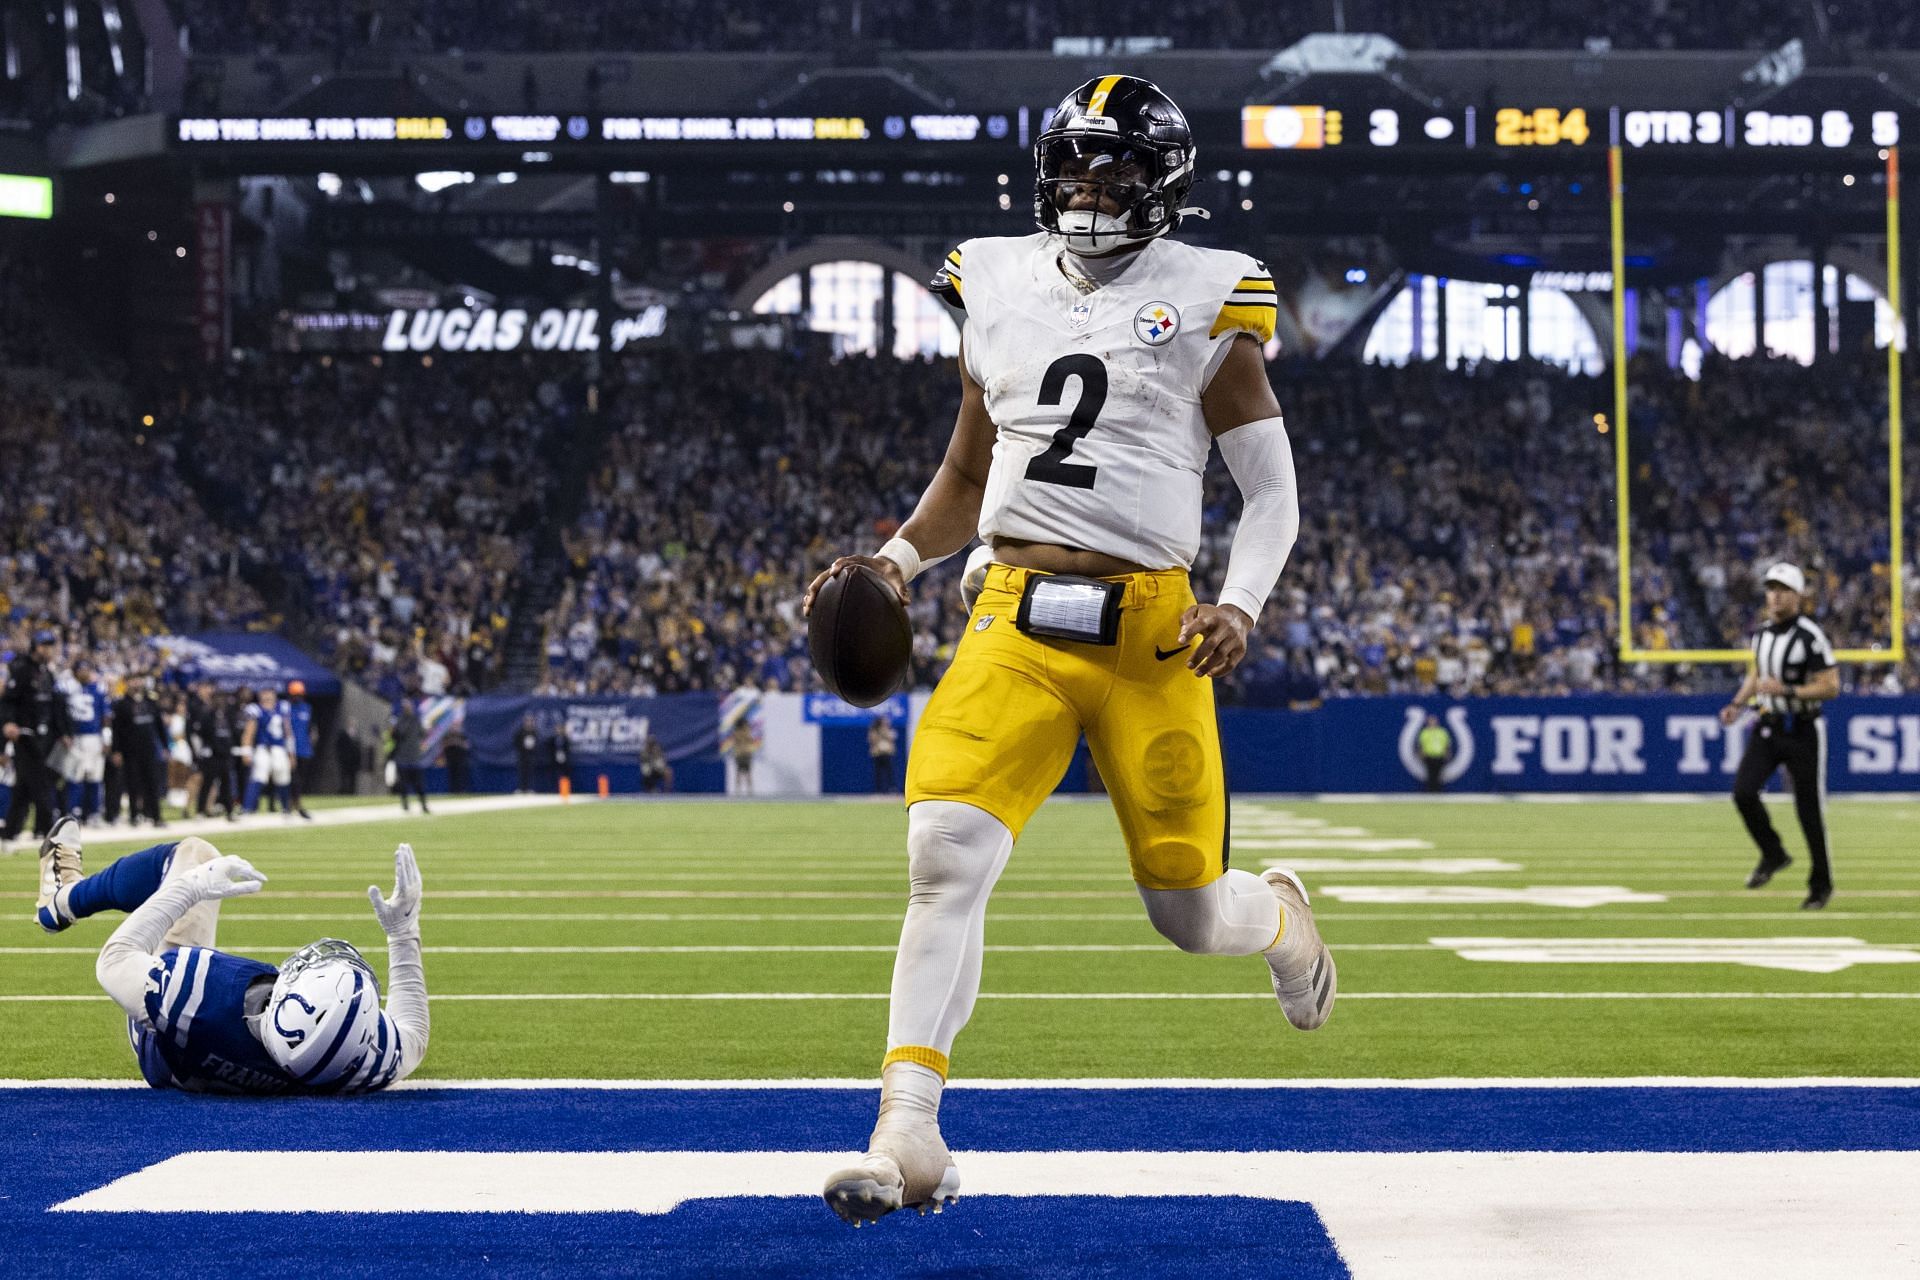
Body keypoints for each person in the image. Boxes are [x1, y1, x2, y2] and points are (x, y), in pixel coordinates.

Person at [804, 75, 1327, 1226]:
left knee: (1188, 910)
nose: (1090, 191)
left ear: (1164, 185)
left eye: (1116, 171)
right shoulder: (993, 278)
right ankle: (909, 1130)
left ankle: (1282, 919)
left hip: (1154, 634)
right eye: (1076, 169)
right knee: (944, 850)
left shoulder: (1206, 294)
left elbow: (1272, 487)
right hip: (1012, 617)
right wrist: (895, 560)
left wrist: (1240, 599)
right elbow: (963, 474)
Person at [31, 815, 428, 1094]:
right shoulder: (344, 1060)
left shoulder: (200, 997)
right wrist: (401, 930)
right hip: (207, 1053)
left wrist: (192, 887)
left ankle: (61, 900)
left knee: (195, 854)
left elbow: (115, 959)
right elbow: (413, 1038)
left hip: (162, 1035)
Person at [1722, 562, 1839, 909]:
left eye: (1783, 589)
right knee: (1743, 792)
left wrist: (1787, 689)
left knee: (1808, 810)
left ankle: (1821, 885)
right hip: (1768, 725)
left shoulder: (1810, 635)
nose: (1775, 595)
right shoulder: (1761, 634)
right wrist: (1737, 704)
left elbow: (1831, 686)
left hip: (1802, 729)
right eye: (1771, 588)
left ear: (1798, 595)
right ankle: (1773, 853)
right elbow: (1757, 674)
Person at [2, 630, 72, 851]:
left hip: (46, 737)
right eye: (45, 645)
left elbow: (53, 707)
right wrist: (8, 723)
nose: (49, 650)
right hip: (26, 735)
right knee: (41, 783)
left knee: (24, 787)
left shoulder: (47, 673)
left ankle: (10, 831)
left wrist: (62, 732)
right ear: (35, 647)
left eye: (51, 645)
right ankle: (49, 831)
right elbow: (8, 701)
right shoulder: (21, 670)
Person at [56, 657, 111, 825]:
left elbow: (106, 716)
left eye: (87, 669)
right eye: (81, 669)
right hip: (75, 737)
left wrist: (107, 737)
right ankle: (73, 812)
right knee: (75, 776)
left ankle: (93, 813)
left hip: (94, 737)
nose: (85, 673)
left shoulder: (98, 688)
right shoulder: (66, 687)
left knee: (95, 776)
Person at [112, 675, 167, 828]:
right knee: (133, 784)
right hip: (130, 750)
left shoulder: (150, 702)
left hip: (149, 749)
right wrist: (116, 750)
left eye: (138, 679)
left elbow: (159, 726)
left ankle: (156, 816)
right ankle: (134, 815)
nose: (136, 683)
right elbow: (117, 730)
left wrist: (164, 746)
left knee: (152, 783)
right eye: (133, 680)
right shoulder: (122, 704)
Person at [240, 687, 294, 816]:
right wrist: (246, 751)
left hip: (279, 748)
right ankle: (247, 808)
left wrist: (291, 754)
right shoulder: (255, 710)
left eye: (269, 693)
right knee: (259, 775)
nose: (267, 696)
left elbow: (288, 732)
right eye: (264, 693)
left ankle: (286, 807)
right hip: (262, 747)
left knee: (283, 776)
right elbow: (249, 732)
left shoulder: (282, 708)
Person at [193, 687, 240, 819]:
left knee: (226, 785)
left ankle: (229, 811)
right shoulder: (207, 714)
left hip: (225, 754)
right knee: (207, 783)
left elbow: (233, 732)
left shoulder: (227, 714)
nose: (220, 701)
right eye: (218, 698)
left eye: (222, 698)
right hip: (212, 755)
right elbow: (201, 732)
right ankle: (200, 811)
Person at [391, 699, 431, 814]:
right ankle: (405, 805)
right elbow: (396, 736)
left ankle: (423, 805)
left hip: (414, 757)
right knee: (404, 784)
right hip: (403, 757)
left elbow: (423, 734)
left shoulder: (415, 720)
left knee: (419, 784)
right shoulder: (400, 720)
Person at [285, 680, 316, 820]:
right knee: (291, 779)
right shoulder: (286, 709)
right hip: (290, 750)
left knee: (299, 780)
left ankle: (295, 805)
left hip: (305, 749)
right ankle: (290, 805)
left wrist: (313, 740)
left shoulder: (307, 709)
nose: (297, 696)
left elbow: (312, 729)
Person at [1417, 714, 1452, 793]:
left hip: (1439, 756)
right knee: (1430, 774)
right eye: (1430, 721)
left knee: (1438, 775)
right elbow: (1421, 745)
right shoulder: (1424, 732)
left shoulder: (1442, 732)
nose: (1432, 723)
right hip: (1429, 756)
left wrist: (1447, 753)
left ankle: (1438, 791)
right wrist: (1421, 754)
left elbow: (1447, 744)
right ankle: (1431, 791)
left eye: (1433, 721)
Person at [869, 713, 899, 793]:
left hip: (887, 753)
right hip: (878, 754)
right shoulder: (874, 730)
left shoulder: (888, 729)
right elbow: (872, 740)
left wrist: (884, 731)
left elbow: (893, 737)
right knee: (878, 773)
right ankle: (879, 789)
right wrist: (879, 733)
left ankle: (892, 788)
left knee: (890, 772)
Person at [443, 723, 472, 794]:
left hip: (459, 753)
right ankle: (453, 790)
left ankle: (461, 789)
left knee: (460, 772)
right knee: (453, 773)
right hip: (450, 753)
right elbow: (444, 743)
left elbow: (466, 743)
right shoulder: (447, 732)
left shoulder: (462, 732)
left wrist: (460, 744)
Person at [516, 714, 539, 793]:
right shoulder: (521, 732)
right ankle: (522, 788)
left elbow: (536, 743)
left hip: (531, 755)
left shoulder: (534, 732)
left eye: (530, 721)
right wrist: (522, 748)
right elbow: (516, 742)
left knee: (530, 772)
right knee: (522, 772)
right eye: (527, 721)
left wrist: (533, 749)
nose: (529, 723)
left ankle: (530, 788)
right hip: (522, 755)